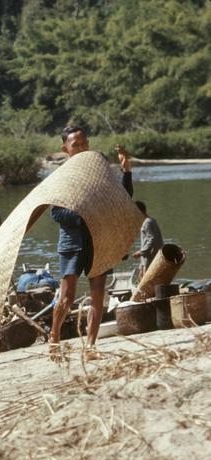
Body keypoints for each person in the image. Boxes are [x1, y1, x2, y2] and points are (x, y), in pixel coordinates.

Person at [49, 126, 133, 359]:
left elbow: (123, 199)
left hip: (99, 241)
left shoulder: (99, 169)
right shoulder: (62, 176)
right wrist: (85, 215)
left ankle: (90, 347)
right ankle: (54, 338)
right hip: (72, 242)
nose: (81, 147)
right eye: (75, 144)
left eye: (84, 143)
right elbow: (56, 213)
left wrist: (126, 171)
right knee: (67, 297)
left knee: (98, 294)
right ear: (65, 148)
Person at [132, 200, 163, 278]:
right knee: (142, 278)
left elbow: (152, 239)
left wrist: (141, 252)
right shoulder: (152, 220)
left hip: (149, 257)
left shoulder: (147, 223)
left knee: (145, 278)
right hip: (151, 256)